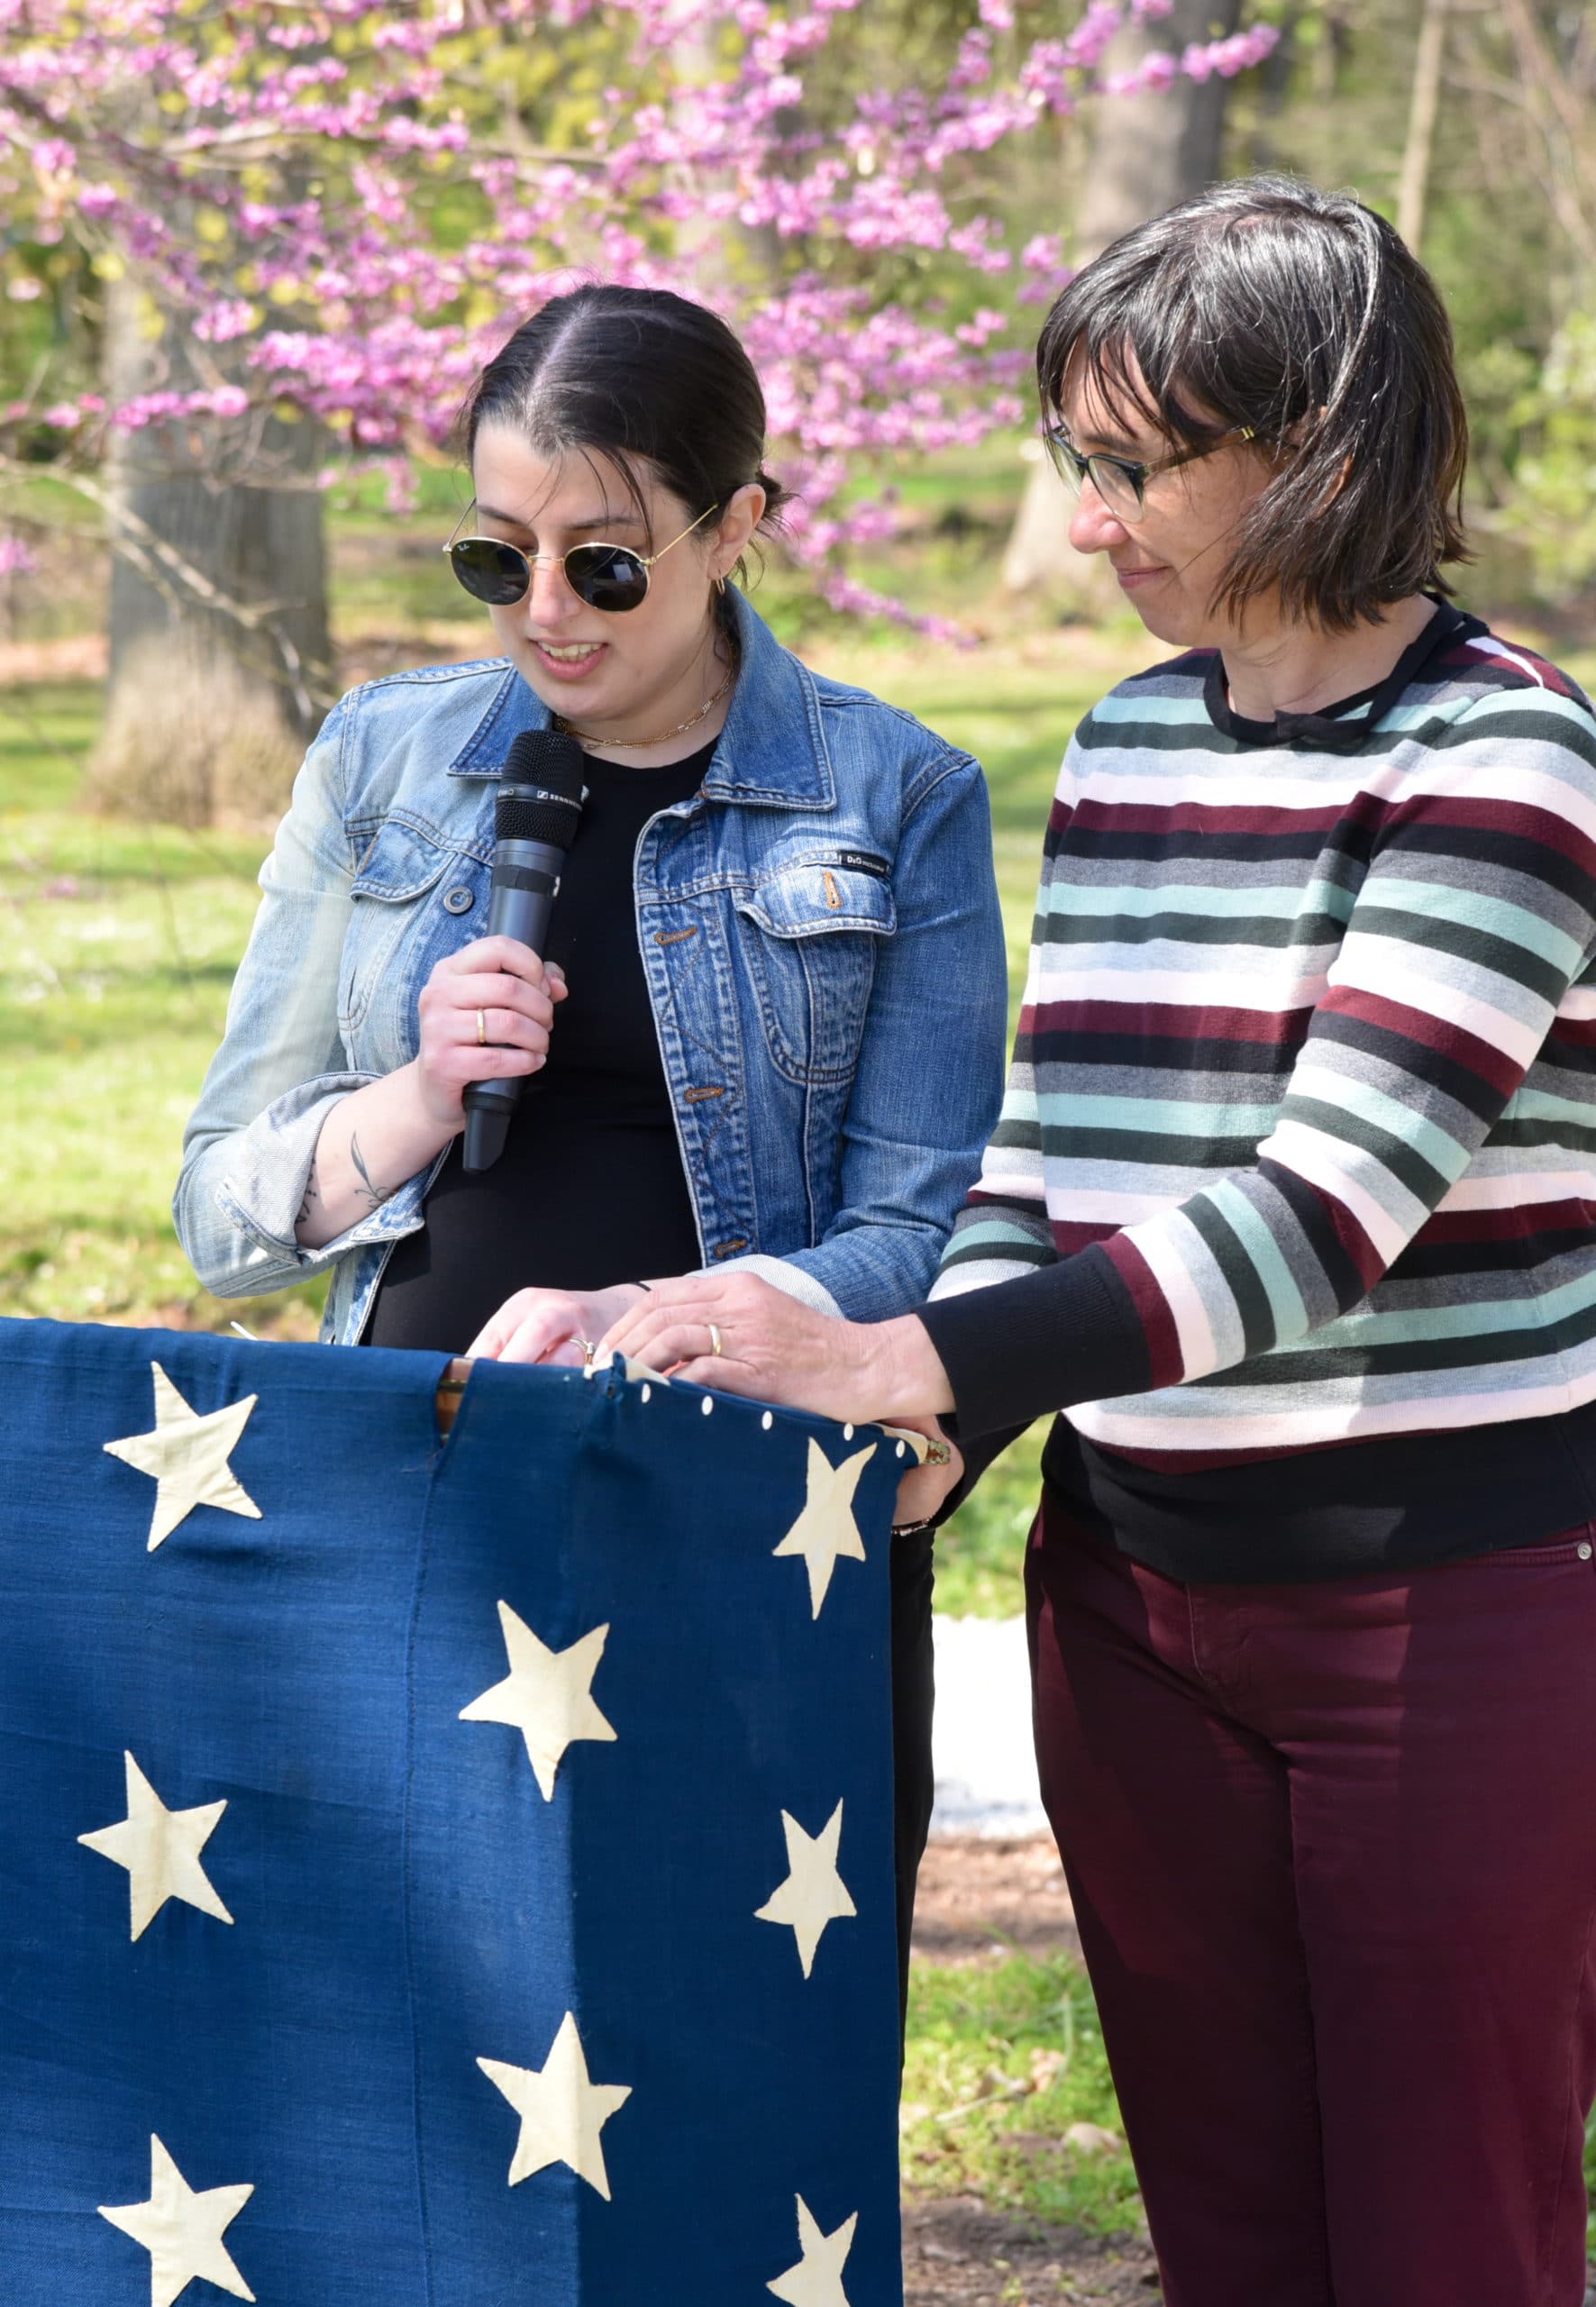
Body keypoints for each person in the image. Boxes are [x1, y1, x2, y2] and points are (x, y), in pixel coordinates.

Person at [599, 180, 1596, 2305]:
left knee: (1445, 2239)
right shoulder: (1136, 734)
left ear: (1317, 445)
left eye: (1136, 466)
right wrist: (953, 1392)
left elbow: (1317, 1212)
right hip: (1133, 1599)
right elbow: (1044, 1150)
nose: (1085, 520)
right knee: (1222, 2233)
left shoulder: (1503, 758)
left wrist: (916, 1360)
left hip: (1449, 1612)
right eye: (1077, 458)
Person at [172, 283, 1008, 2021]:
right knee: (404, 2073)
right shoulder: (386, 759)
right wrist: (410, 1095)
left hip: (747, 1514)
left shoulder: (897, 795)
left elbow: (924, 1226)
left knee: (729, 2053)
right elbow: (220, 1210)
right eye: (501, 558)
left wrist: (670, 1312)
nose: (544, 613)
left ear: (739, 529)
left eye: (604, 563)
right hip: (413, 1513)